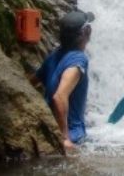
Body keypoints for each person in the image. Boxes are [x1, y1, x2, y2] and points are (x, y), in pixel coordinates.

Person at [33, 10, 94, 151]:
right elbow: (59, 97)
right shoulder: (79, 59)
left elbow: (31, 82)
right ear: (86, 32)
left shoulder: (54, 56)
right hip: (74, 137)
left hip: (51, 132)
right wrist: (65, 138)